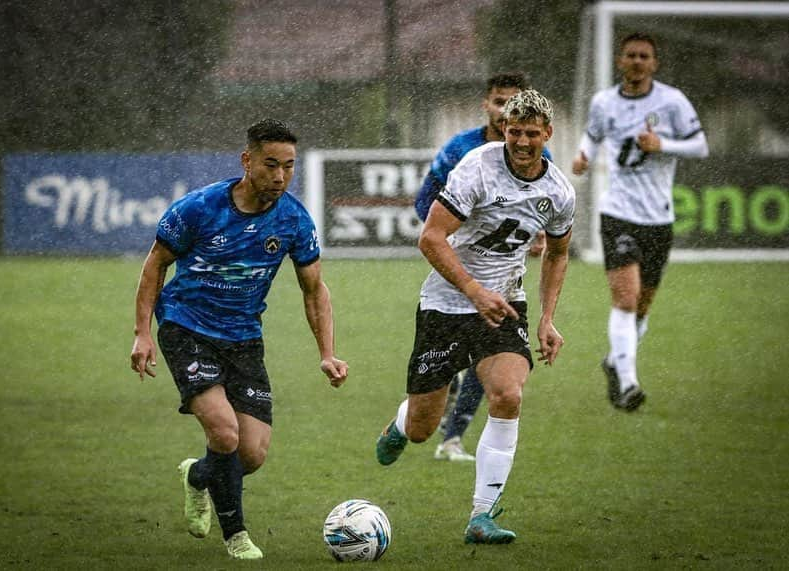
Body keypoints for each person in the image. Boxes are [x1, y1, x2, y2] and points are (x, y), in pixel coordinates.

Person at [130, 119, 349, 560]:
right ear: (247, 161)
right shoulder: (198, 208)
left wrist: (327, 353)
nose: (280, 176)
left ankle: (199, 476)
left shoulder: (293, 220)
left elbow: (314, 290)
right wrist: (142, 334)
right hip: (186, 328)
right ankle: (236, 536)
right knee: (225, 433)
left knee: (250, 453)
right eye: (271, 165)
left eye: (289, 167)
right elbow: (155, 265)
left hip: (244, 338)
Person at [377, 90, 575, 544]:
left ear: (548, 134)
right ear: (503, 129)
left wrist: (547, 319)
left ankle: (481, 517)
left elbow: (558, 254)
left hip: (504, 304)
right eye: (514, 131)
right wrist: (471, 289)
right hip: (446, 304)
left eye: (531, 134)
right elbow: (430, 237)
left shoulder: (559, 191)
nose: (522, 142)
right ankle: (402, 424)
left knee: (507, 395)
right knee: (425, 426)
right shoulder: (478, 166)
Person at [415, 72, 553, 463]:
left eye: (512, 101)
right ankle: (426, 414)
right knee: (426, 405)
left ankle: (454, 435)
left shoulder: (542, 158)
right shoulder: (461, 149)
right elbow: (426, 202)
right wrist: (458, 232)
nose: (504, 108)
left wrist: (536, 234)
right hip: (452, 267)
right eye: (498, 101)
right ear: (487, 105)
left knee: (494, 365)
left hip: (503, 280)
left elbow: (541, 207)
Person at [572, 32, 708, 411]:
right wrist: (583, 155)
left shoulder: (672, 101)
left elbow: (700, 145)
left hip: (658, 218)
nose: (636, 61)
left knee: (642, 307)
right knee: (626, 298)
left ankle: (615, 360)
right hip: (618, 212)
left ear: (654, 64)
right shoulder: (604, 102)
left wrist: (664, 145)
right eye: (630, 55)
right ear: (619, 61)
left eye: (643, 56)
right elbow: (592, 134)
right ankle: (629, 382)